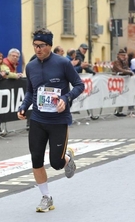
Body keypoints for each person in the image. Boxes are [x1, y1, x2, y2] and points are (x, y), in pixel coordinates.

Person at [17, 28, 84, 212]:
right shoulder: (30, 66)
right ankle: (46, 197)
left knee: (56, 163)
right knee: (36, 159)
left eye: (42, 46)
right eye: (35, 45)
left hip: (58, 121)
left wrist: (65, 98)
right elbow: (31, 91)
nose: (38, 49)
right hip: (38, 119)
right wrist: (23, 106)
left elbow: (79, 85)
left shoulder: (63, 63)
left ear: (50, 45)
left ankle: (67, 157)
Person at [112, 49, 134, 117]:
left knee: (124, 95)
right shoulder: (116, 62)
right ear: (118, 55)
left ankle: (119, 111)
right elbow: (119, 69)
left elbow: (126, 68)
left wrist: (129, 70)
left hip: (124, 81)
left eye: (124, 55)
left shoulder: (125, 61)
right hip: (117, 81)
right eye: (122, 55)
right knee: (119, 95)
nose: (123, 56)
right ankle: (117, 111)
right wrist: (129, 72)